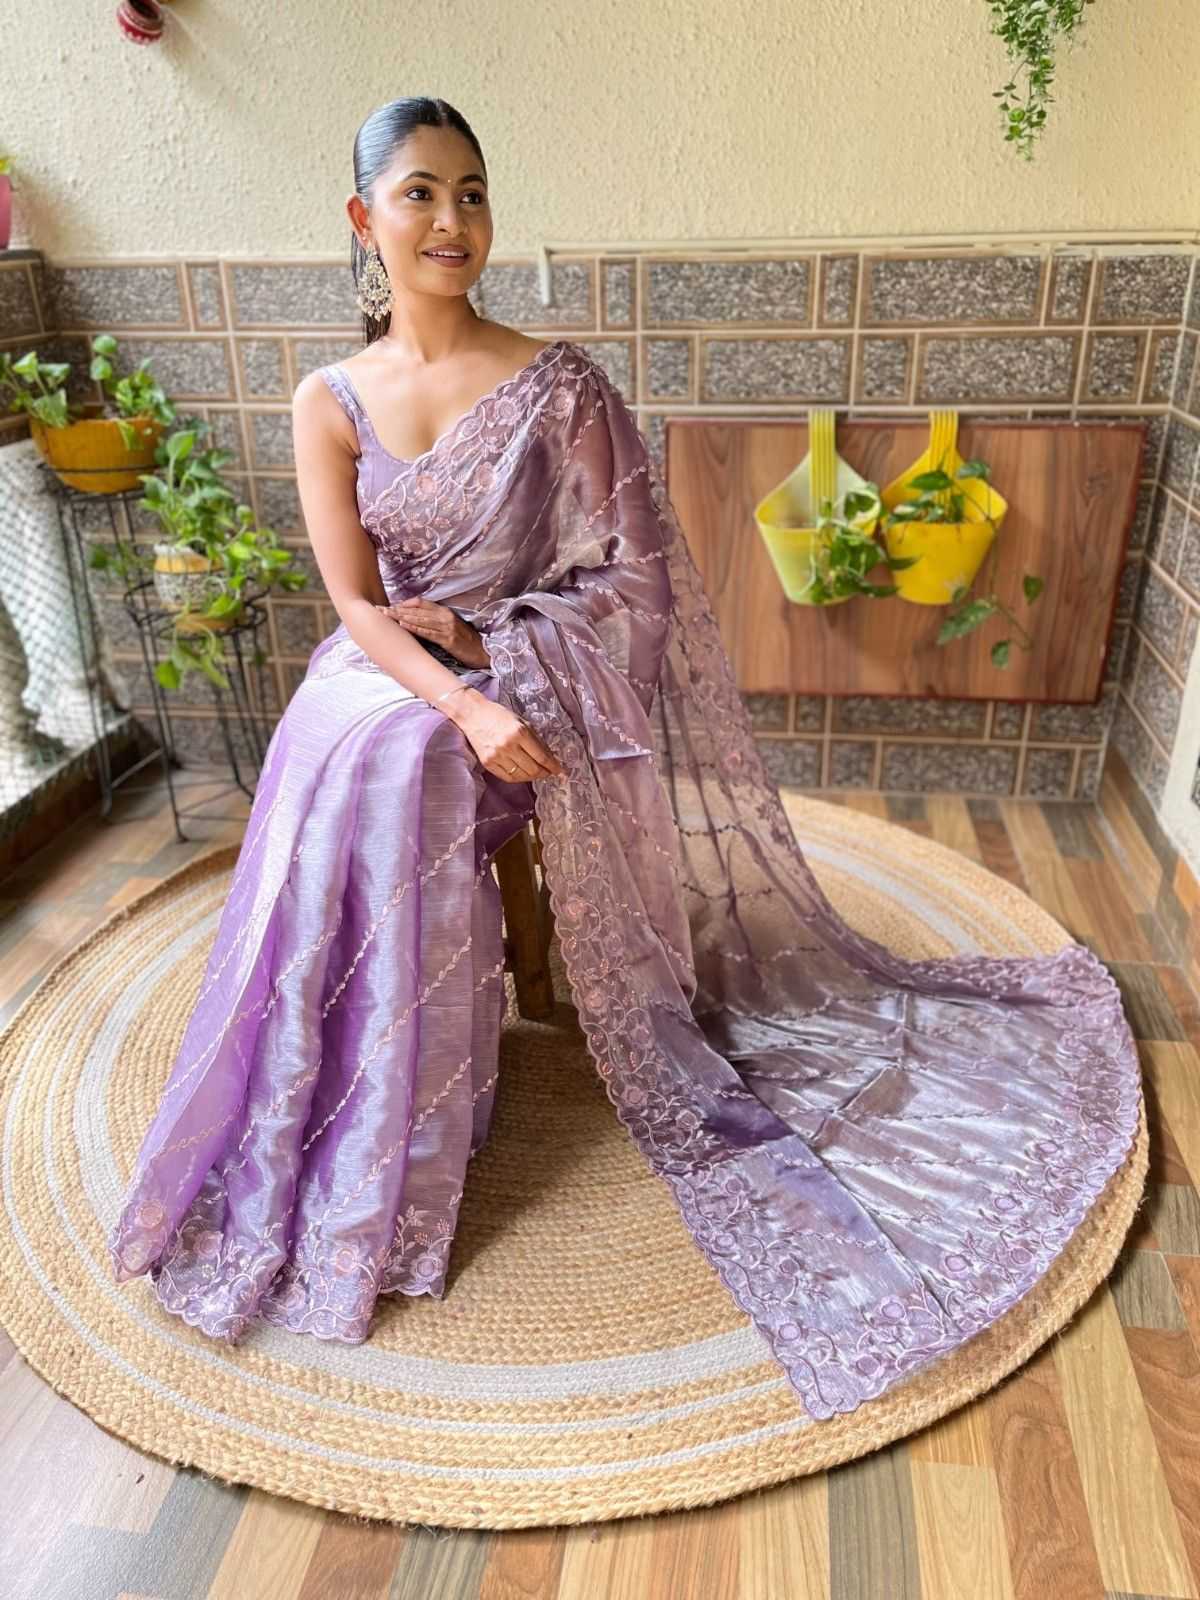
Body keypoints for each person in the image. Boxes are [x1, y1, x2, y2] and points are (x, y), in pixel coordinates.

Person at [107, 96, 1144, 1424]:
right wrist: (453, 694)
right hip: (400, 672)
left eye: (473, 192)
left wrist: (497, 655)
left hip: (528, 664)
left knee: (403, 765)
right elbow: (355, 605)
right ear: (364, 218)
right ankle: (320, 1093)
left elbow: (640, 590)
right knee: (359, 744)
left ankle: (400, 1134)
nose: (452, 219)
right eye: (420, 193)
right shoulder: (330, 398)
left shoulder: (561, 384)